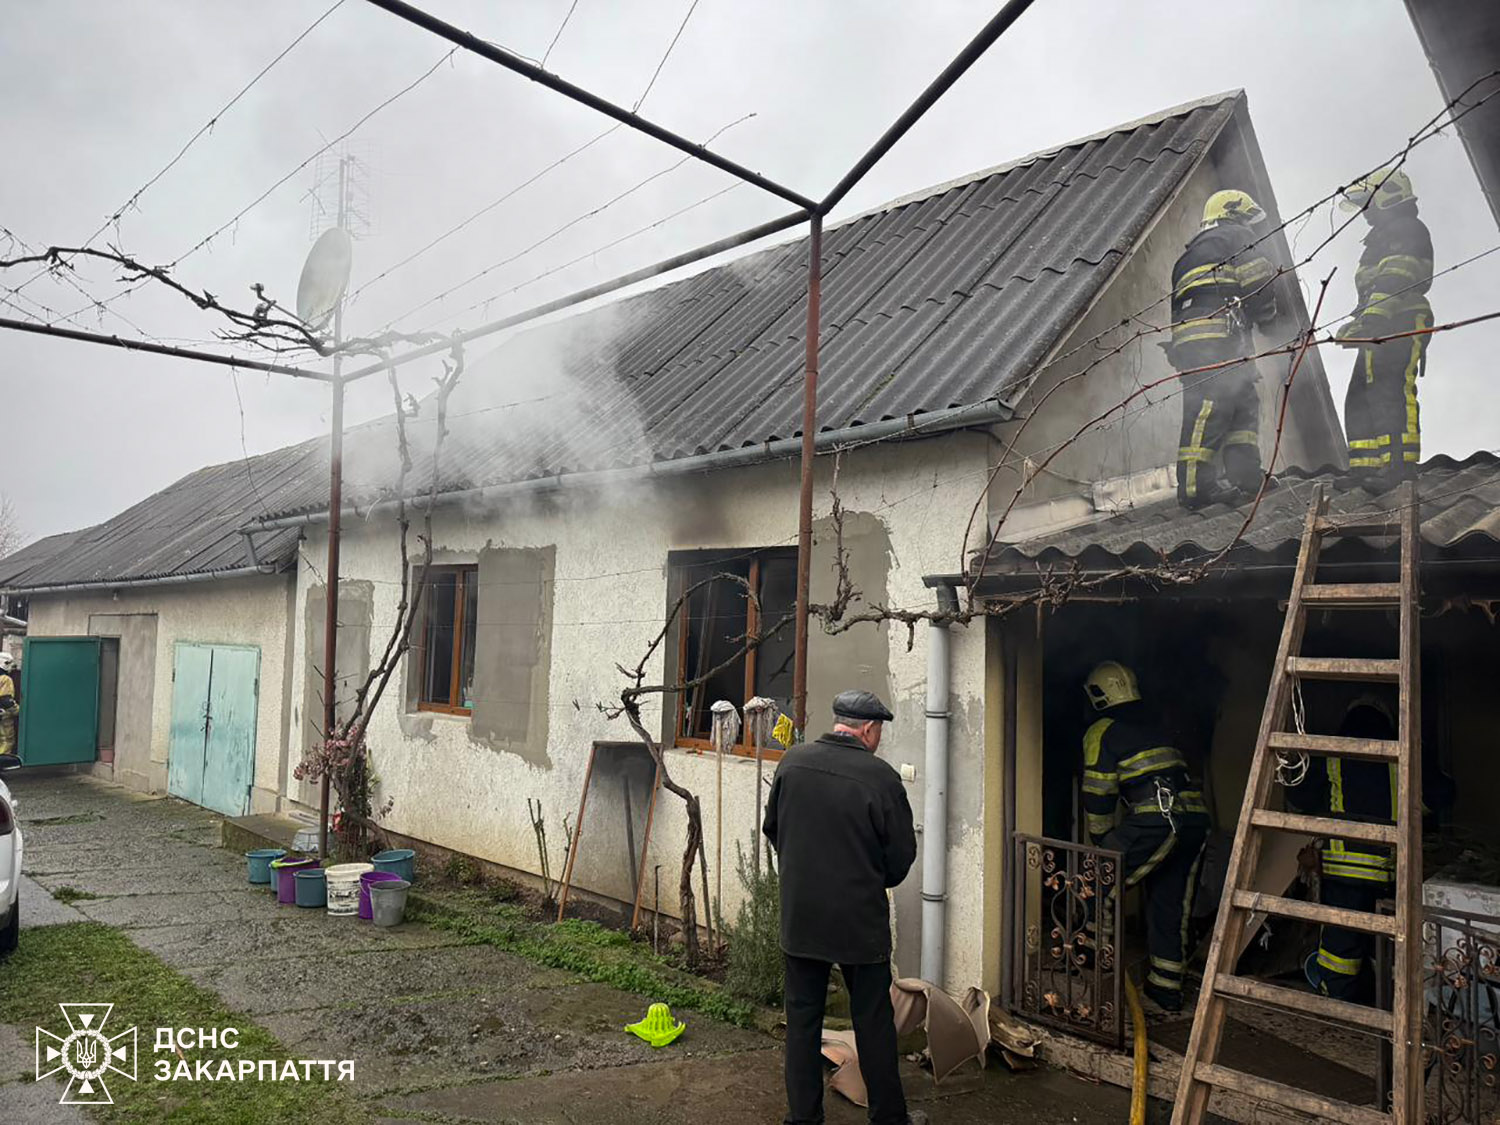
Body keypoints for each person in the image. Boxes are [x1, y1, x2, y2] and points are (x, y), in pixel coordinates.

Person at [763, 690, 921, 1125]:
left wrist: (804, 875)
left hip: (802, 916)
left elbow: (773, 829)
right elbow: (900, 858)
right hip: (859, 921)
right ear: (868, 729)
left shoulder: (792, 763)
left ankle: (803, 1118)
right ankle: (889, 1118)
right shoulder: (881, 778)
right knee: (873, 1021)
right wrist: (868, 878)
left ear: (839, 722)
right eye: (880, 731)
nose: (879, 738)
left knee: (802, 1020)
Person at [1081, 661, 1211, 1011]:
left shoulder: (1102, 730)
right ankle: (1166, 990)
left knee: (1097, 880)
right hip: (1194, 820)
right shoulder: (1156, 725)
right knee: (1170, 904)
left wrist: (1101, 842)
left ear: (1097, 695)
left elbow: (1098, 791)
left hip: (1159, 820)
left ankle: (1092, 971)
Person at [1168, 189, 1280, 509]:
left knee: (1242, 401)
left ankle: (1246, 477)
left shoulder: (1187, 256)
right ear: (1233, 215)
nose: (1249, 226)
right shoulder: (1237, 237)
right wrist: (1268, 318)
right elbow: (1258, 282)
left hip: (1199, 346)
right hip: (1218, 342)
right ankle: (1195, 489)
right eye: (1246, 219)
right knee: (1211, 407)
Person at [1287, 697, 1399, 1003]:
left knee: (1341, 946)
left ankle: (1338, 1004)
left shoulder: (1333, 752)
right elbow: (1442, 794)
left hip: (1344, 871)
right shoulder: (1403, 755)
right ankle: (1385, 1003)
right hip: (1392, 872)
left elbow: (1300, 797)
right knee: (1384, 941)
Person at [1335, 168, 1434, 489]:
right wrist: (1360, 322)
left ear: (1388, 196)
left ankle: (1398, 466)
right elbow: (1373, 289)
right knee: (1361, 395)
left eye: (1368, 202)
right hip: (1379, 324)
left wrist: (1372, 319)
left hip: (1403, 319)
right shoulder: (1380, 236)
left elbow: (1397, 274)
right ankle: (1366, 467)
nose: (1365, 212)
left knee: (1389, 389)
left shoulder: (1406, 227)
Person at [0, 653, 17, 758]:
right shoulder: (5, 679)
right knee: (6, 740)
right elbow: (6, 700)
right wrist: (19, 710)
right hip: (4, 716)